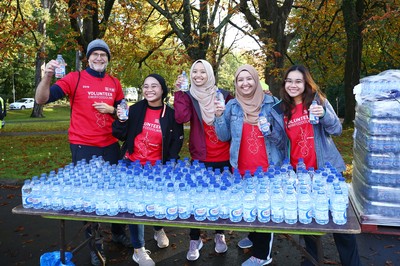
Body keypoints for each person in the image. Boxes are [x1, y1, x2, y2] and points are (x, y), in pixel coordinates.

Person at [35, 39, 131, 266]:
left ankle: (118, 232)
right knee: (89, 197)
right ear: (88, 58)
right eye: (95, 54)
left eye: (103, 55)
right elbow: (42, 99)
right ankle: (95, 244)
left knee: (115, 191)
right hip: (83, 146)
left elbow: (124, 112)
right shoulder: (74, 78)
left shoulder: (114, 82)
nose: (99, 58)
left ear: (108, 58)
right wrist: (47, 75)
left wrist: (113, 109)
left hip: (110, 145)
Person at [269, 65, 362, 266]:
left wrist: (324, 115)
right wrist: (269, 130)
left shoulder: (318, 101)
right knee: (308, 220)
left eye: (298, 81)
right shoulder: (280, 110)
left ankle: (352, 263)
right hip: (300, 174)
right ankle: (311, 260)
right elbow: (280, 143)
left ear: (306, 83)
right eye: (289, 81)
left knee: (341, 223)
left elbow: (336, 129)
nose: (293, 85)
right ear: (284, 84)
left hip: (326, 171)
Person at [214, 64, 285, 266]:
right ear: (236, 83)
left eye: (249, 79)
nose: (245, 83)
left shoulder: (273, 104)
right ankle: (254, 237)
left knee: (264, 207)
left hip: (267, 167)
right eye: (240, 80)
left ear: (256, 80)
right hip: (241, 166)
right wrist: (218, 117)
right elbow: (223, 136)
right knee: (249, 205)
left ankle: (263, 255)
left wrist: (270, 129)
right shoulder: (232, 106)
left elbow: (283, 139)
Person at [112, 74, 184, 266]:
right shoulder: (135, 110)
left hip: (155, 168)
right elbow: (119, 134)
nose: (149, 89)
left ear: (162, 90)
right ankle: (139, 249)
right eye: (146, 86)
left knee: (155, 203)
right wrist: (120, 120)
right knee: (135, 206)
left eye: (154, 86)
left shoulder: (170, 115)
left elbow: (175, 143)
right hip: (132, 164)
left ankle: (158, 229)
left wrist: (170, 165)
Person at [173, 59, 233, 261]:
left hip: (224, 156)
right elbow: (181, 118)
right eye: (194, 72)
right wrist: (179, 93)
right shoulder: (189, 96)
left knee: (220, 198)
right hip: (201, 156)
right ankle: (194, 238)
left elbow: (235, 119)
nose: (198, 76)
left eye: (202, 72)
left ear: (209, 74)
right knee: (196, 198)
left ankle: (219, 234)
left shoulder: (224, 95)